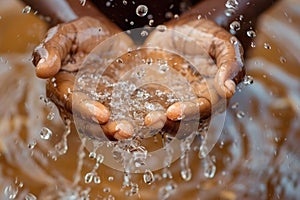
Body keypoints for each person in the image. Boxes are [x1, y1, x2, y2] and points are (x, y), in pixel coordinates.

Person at [22, 0, 277, 140]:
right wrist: (71, 17)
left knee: (216, 113)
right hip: (86, 33)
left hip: (207, 51)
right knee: (85, 121)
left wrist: (216, 16)